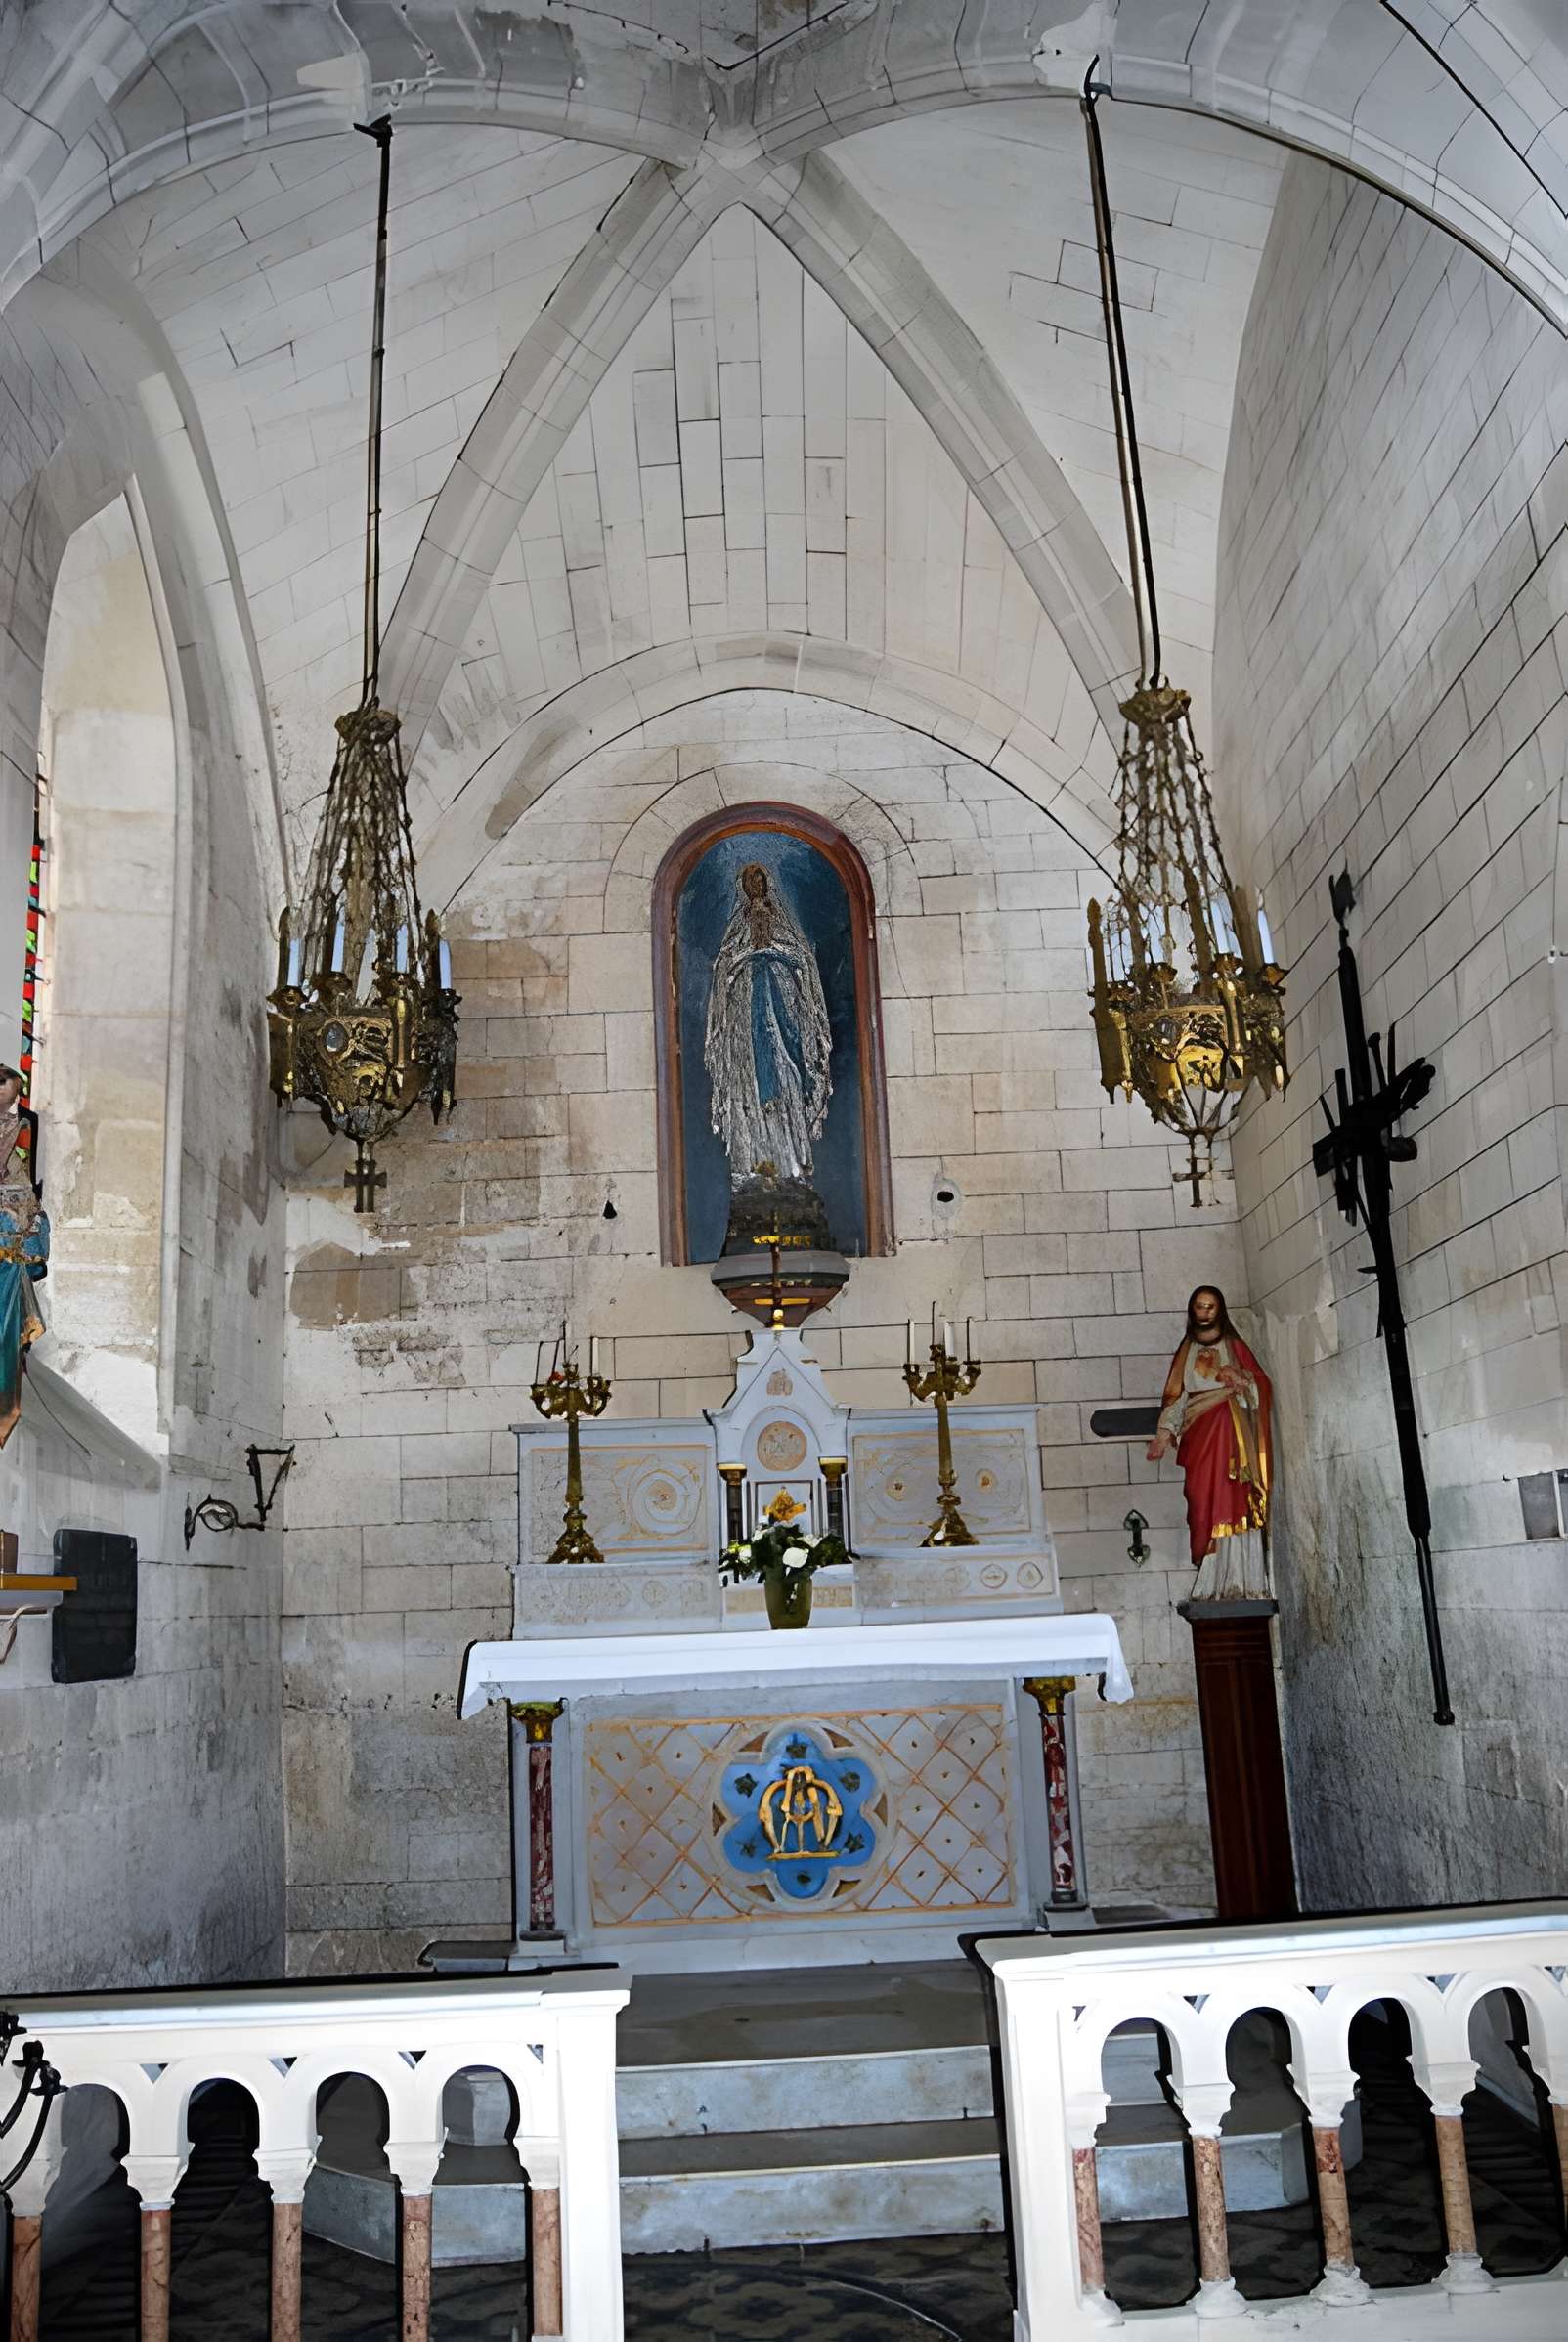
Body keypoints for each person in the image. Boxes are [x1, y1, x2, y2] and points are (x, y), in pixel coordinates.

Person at [704, 862, 833, 1190]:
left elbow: (802, 957)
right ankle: (754, 1163)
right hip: (747, 1013)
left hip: (781, 1003)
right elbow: (724, 965)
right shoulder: (738, 923)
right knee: (750, 1082)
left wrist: (774, 953)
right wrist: (746, 956)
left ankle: (794, 1161)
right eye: (750, 881)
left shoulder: (783, 918)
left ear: (768, 883)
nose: (756, 885)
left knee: (787, 1071)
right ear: (744, 888)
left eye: (760, 879)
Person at [1147, 1284, 1272, 1598]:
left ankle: (1238, 1576)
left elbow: (1261, 1386)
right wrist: (1164, 1434)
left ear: (1220, 1310)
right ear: (1192, 1311)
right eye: (1200, 1306)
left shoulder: (1234, 1346)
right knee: (1199, 1498)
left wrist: (1241, 1382)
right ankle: (1208, 1566)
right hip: (1198, 1435)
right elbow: (1177, 1397)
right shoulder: (1186, 1350)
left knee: (1232, 1494)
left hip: (1231, 1434)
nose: (1205, 1312)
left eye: (1211, 1306)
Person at [0, 1064, 48, 1448]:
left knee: (8, 1322)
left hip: (11, 1242)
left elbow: (26, 1188)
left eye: (12, 1094)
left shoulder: (26, 1127)